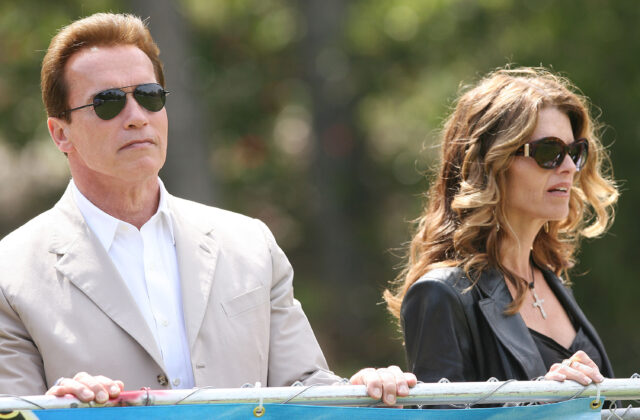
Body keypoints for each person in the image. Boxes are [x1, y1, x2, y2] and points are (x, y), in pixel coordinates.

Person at [0, 13, 415, 405]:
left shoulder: (250, 243)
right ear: (60, 134)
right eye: (108, 102)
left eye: (148, 96)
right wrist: (54, 409)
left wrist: (364, 391)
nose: (136, 117)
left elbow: (304, 390)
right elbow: (13, 412)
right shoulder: (11, 274)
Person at [384, 67, 618, 387]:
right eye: (549, 152)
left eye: (575, 152)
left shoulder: (551, 281)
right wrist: (540, 404)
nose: (568, 168)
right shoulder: (440, 294)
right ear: (492, 163)